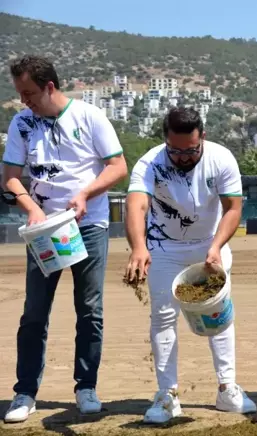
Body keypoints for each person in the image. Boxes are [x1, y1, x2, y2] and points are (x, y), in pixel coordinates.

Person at [2, 55, 128, 423]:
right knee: (34, 312)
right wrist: (30, 206)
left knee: (90, 309)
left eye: (29, 93)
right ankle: (25, 393)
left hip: (88, 225)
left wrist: (86, 194)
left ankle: (86, 387)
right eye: (20, 93)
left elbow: (118, 166)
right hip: (45, 229)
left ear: (50, 87)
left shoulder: (89, 116)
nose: (24, 100)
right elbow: (9, 175)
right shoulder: (21, 123)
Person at [124, 106, 257, 424]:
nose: (183, 157)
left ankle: (227, 389)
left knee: (218, 315)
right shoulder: (150, 163)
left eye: (191, 150)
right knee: (163, 317)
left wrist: (215, 247)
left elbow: (232, 209)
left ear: (203, 138)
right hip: (165, 248)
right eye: (176, 150)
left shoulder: (221, 158)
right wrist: (139, 247)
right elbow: (136, 204)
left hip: (210, 246)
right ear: (165, 141)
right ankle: (167, 395)